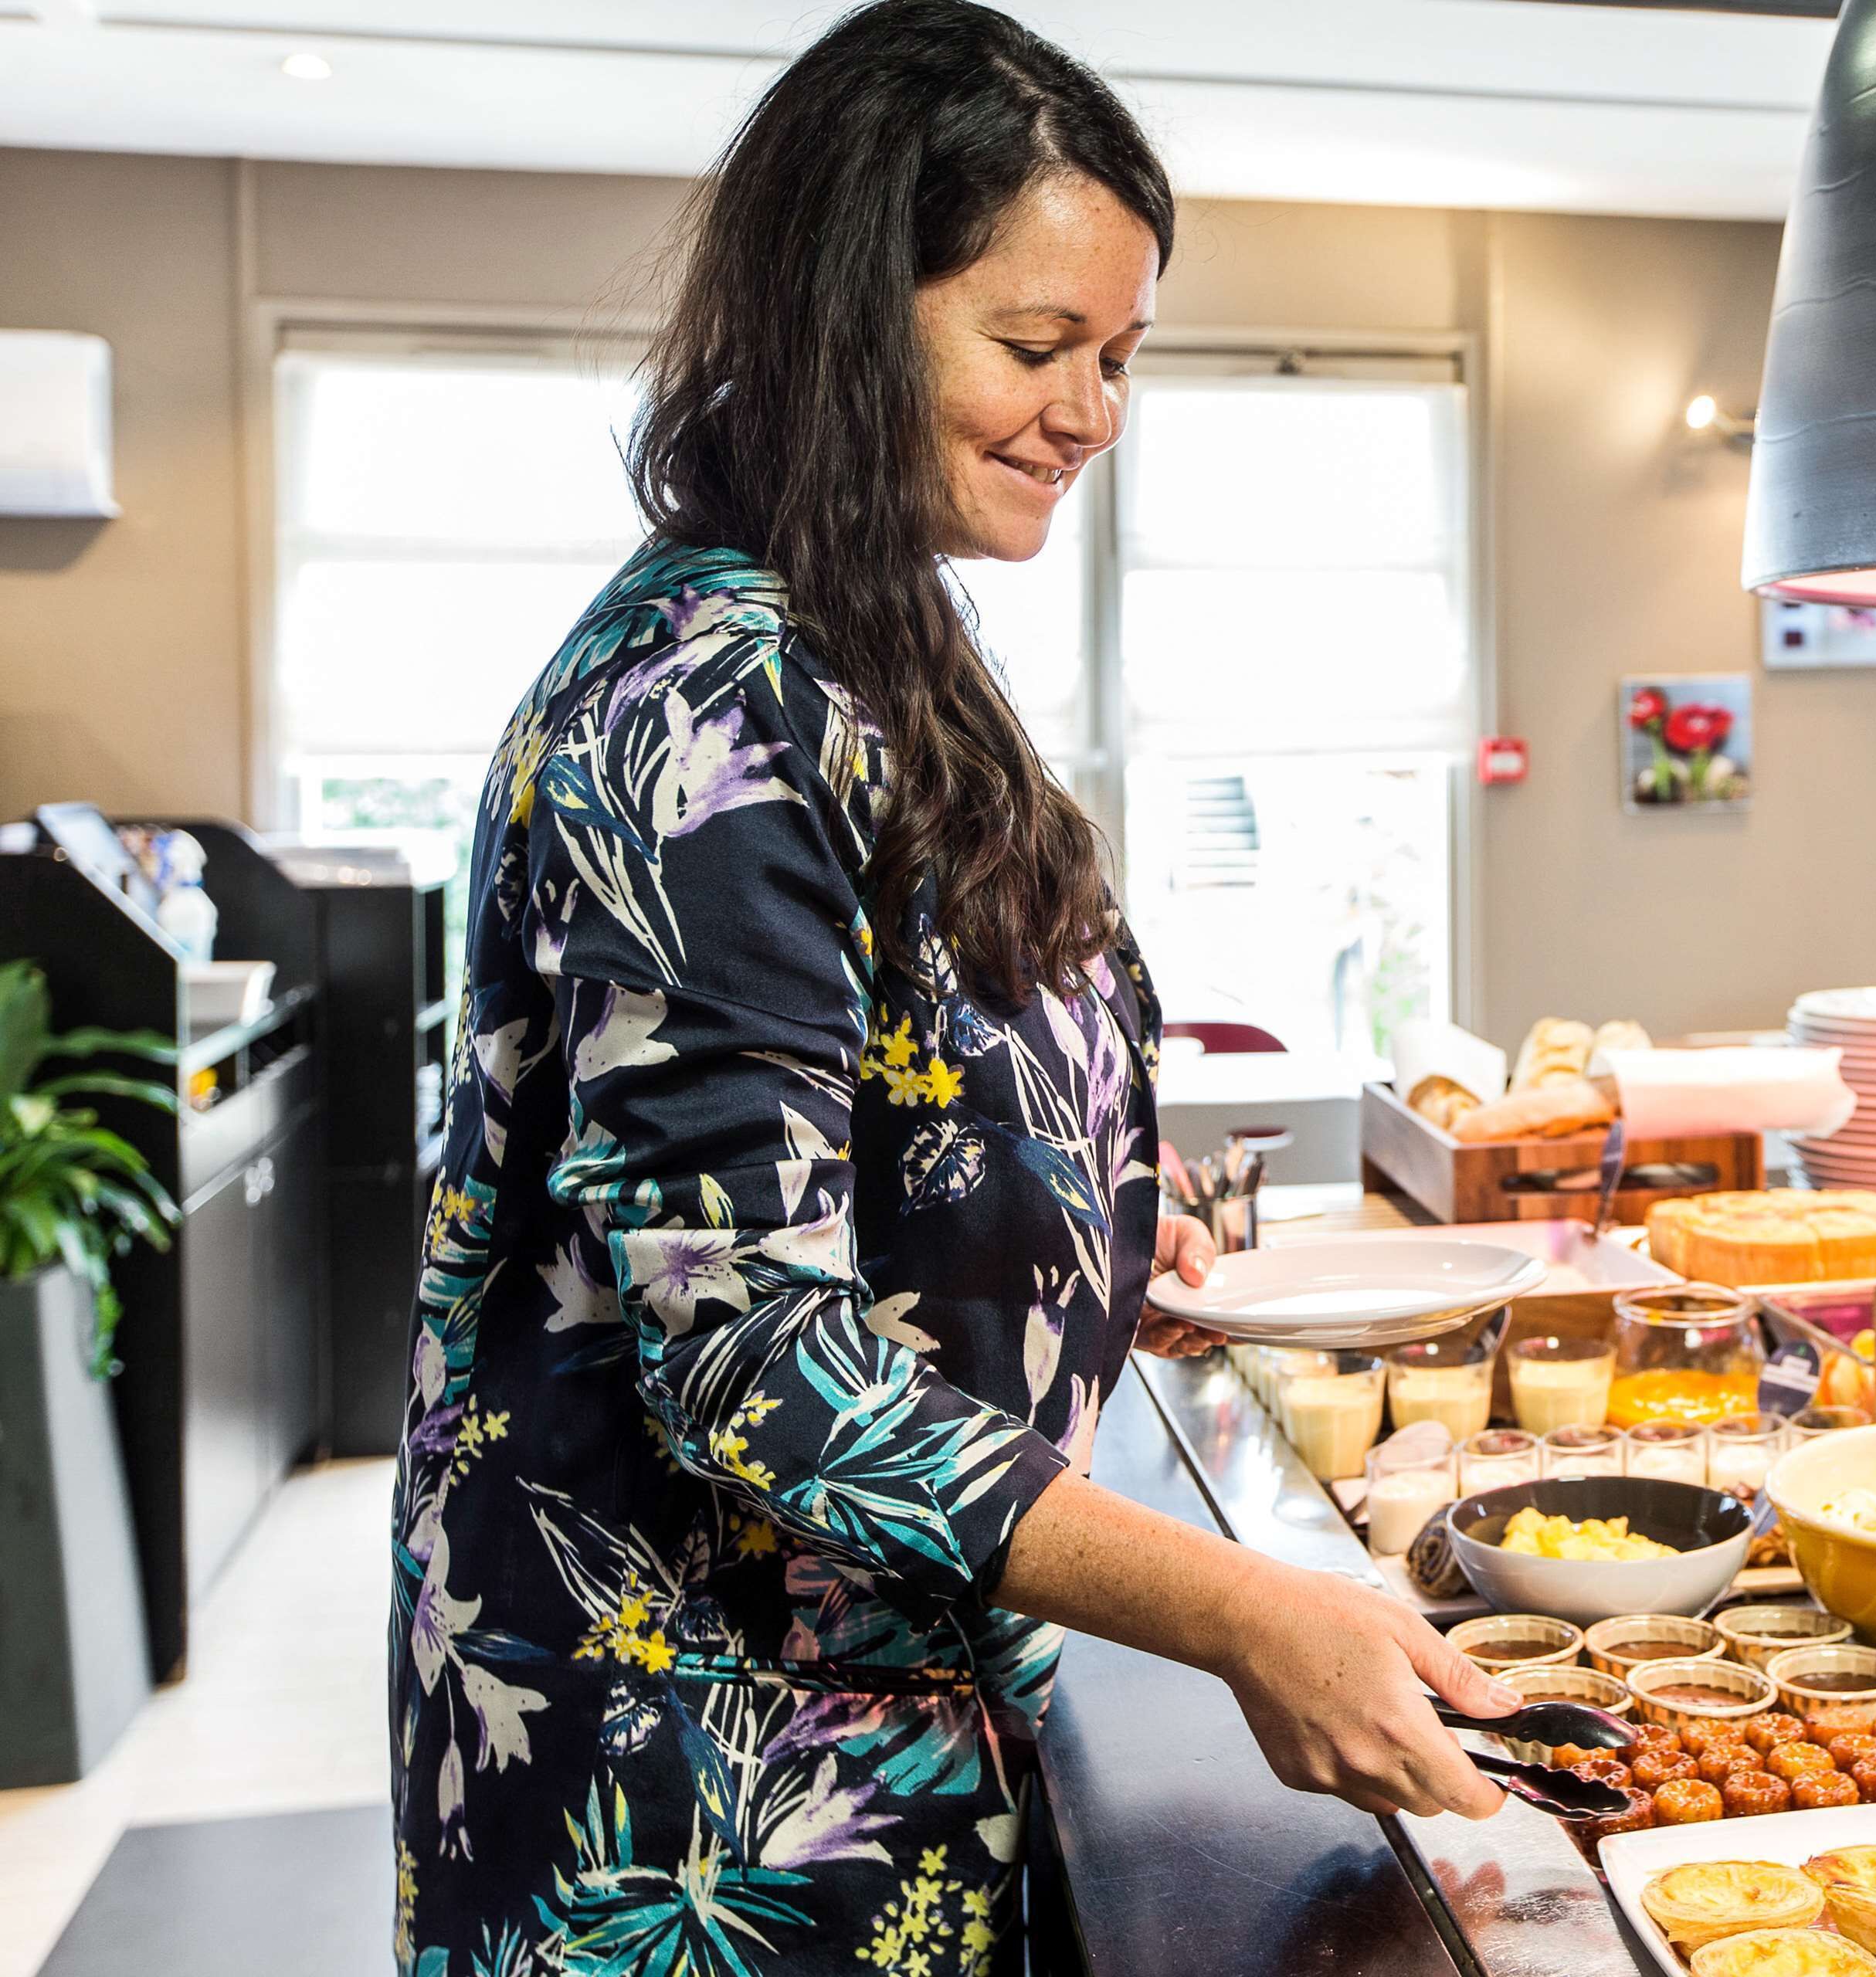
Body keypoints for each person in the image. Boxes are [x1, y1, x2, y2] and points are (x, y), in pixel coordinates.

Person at [385, 6, 1513, 1969]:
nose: (1092, 410)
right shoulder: (713, 697)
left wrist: (1064, 1255)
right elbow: (748, 1351)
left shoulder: (860, 631)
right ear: (844, 313)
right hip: (707, 1781)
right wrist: (1248, 1608)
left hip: (866, 1708)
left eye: (1122, 358)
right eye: (1035, 345)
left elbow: (884, 1099)